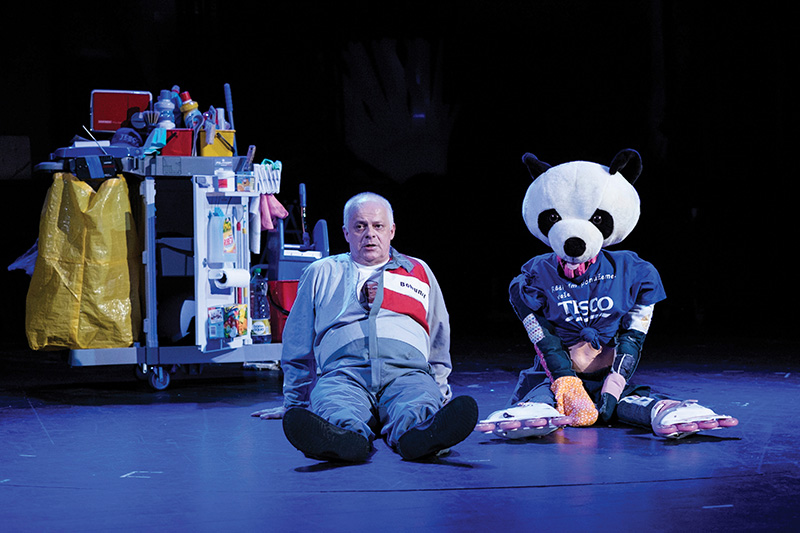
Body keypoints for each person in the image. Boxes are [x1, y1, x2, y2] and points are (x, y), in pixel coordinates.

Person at [251, 192, 478, 462]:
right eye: (360, 226)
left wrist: (439, 394)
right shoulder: (321, 272)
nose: (370, 234)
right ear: (346, 233)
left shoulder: (417, 270)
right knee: (334, 405)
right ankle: (346, 440)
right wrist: (294, 403)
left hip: (407, 373)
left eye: (378, 226)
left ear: (391, 231)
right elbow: (297, 341)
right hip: (344, 374)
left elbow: (439, 335)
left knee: (417, 404)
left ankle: (420, 435)